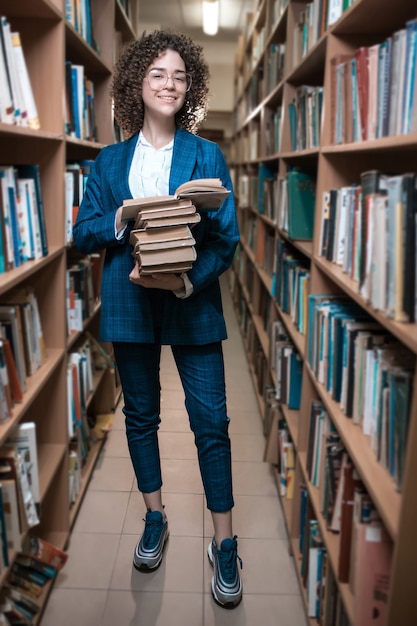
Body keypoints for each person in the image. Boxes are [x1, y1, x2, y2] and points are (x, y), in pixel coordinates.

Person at [73, 29, 242, 607]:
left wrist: (194, 277)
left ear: (188, 87)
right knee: (141, 418)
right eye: (157, 75)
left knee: (211, 422)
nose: (169, 84)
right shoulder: (109, 161)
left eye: (179, 76)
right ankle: (155, 516)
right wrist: (121, 214)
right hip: (129, 305)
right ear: (137, 86)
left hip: (191, 304)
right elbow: (82, 234)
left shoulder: (206, 153)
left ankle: (225, 543)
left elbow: (229, 238)